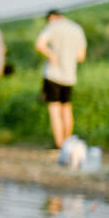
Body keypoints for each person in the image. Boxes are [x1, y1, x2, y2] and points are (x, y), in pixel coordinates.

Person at [35, 9, 87, 148]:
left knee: (54, 109)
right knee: (66, 108)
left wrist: (51, 54)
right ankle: (68, 142)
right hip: (69, 76)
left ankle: (59, 144)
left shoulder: (53, 26)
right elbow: (81, 57)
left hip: (53, 74)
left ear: (52, 17)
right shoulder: (77, 28)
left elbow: (39, 44)